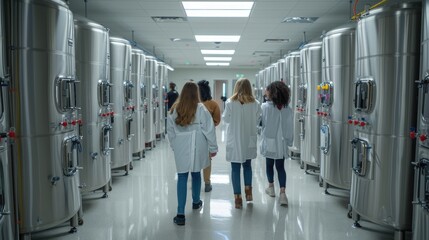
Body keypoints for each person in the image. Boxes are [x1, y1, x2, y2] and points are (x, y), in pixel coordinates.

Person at [167, 81, 218, 226]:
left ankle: (180, 214)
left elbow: (170, 132)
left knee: (182, 176)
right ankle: (196, 202)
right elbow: (209, 129)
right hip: (198, 145)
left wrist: (174, 146)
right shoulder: (201, 108)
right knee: (196, 173)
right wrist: (213, 148)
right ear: (197, 93)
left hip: (180, 146)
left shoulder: (174, 109)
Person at [222, 78, 261, 209]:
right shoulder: (256, 103)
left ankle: (238, 198)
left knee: (235, 169)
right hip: (248, 139)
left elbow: (226, 119)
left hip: (235, 139)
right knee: (248, 166)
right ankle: (248, 193)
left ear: (236, 87)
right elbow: (257, 119)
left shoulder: (229, 102)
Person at [260, 81, 293, 206]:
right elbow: (289, 126)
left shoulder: (265, 107)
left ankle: (271, 188)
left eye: (267, 90)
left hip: (269, 141)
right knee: (280, 167)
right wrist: (290, 141)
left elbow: (259, 122)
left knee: (269, 165)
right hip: (282, 142)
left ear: (272, 92)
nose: (265, 92)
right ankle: (283, 194)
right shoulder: (287, 109)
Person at [197, 80, 221, 192]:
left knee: (195, 158)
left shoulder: (194, 104)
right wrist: (209, 126)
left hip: (194, 135)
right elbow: (217, 120)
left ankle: (195, 180)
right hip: (208, 136)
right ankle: (207, 182)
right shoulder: (213, 104)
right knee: (207, 160)